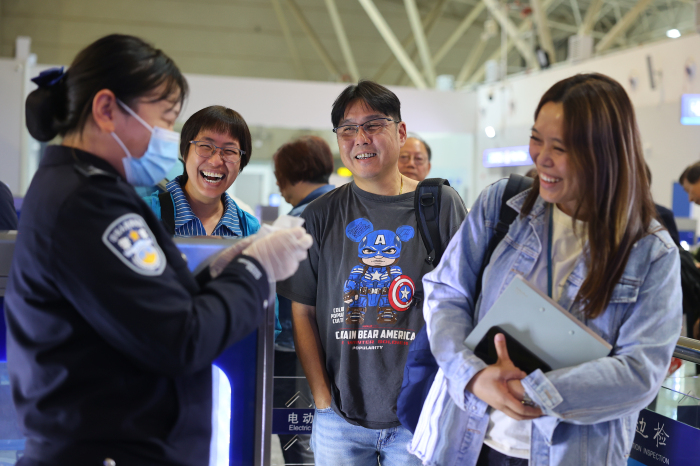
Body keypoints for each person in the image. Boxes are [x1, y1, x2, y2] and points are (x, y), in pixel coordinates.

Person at [5, 34, 312, 466]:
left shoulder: (80, 188)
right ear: (107, 109)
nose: (167, 136)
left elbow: (141, 304)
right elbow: (179, 338)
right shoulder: (92, 203)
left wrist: (215, 271)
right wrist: (254, 268)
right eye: (166, 120)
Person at [410, 73, 682, 466]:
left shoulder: (649, 252)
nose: (541, 158)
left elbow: (641, 372)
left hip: (570, 453)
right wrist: (473, 375)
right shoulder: (502, 206)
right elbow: (446, 293)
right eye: (537, 139)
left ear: (604, 153)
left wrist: (535, 390)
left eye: (561, 147)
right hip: (462, 441)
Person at [277, 80, 467, 465]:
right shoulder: (319, 216)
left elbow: (466, 300)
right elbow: (303, 311)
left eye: (373, 125)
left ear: (400, 132)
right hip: (340, 421)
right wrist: (322, 399)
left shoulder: (439, 205)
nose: (360, 138)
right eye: (347, 128)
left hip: (419, 413)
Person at [272, 135, 335, 464]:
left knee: (297, 439)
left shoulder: (293, 222)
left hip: (294, 348)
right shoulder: (345, 207)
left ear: (288, 176)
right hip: (343, 345)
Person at [143, 105, 259, 237]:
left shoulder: (250, 230)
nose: (216, 161)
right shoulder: (144, 214)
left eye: (230, 151)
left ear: (241, 163)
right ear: (185, 153)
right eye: (205, 146)